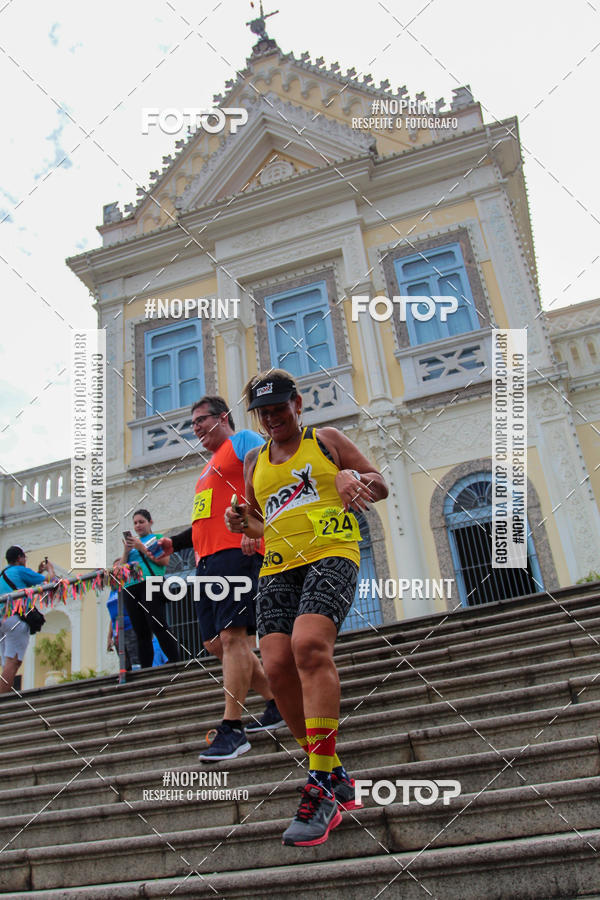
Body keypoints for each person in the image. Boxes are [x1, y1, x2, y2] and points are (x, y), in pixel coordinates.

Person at [225, 370, 389, 846]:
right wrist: (242, 520)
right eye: (264, 411)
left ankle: (318, 785)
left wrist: (352, 478)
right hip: (279, 566)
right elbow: (259, 524)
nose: (273, 417)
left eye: (280, 407)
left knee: (309, 647)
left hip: (332, 554)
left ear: (297, 404)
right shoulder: (254, 460)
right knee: (275, 668)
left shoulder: (327, 440)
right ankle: (332, 772)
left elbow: (379, 485)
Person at [157, 395, 283, 762]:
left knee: (232, 636)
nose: (195, 428)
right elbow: (204, 519)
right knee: (215, 643)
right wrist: (173, 542)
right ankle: (275, 704)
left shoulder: (242, 440)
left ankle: (233, 728)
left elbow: (268, 476)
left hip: (237, 552)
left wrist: (254, 524)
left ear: (223, 417)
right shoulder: (207, 468)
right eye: (191, 423)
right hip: (206, 560)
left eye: (200, 420)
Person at [120, 510, 180, 668]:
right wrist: (126, 552)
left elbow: (164, 561)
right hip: (131, 586)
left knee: (157, 624)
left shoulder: (157, 539)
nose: (138, 525)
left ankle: (176, 661)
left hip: (150, 583)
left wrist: (141, 548)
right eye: (135, 523)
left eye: (141, 522)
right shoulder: (131, 546)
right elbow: (120, 570)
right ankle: (146, 669)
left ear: (150, 522)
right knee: (141, 631)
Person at [0, 546, 56, 695]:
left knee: (6, 663)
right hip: (14, 619)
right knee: (13, 661)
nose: (25, 561)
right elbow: (51, 580)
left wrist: (37, 572)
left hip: (2, 619)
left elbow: (23, 586)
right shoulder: (20, 570)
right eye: (24, 558)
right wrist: (50, 568)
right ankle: (3, 700)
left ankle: (5, 696)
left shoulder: (3, 574)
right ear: (19, 558)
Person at [106, 559, 141, 670]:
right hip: (117, 631)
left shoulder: (129, 585)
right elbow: (113, 616)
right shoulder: (113, 590)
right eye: (114, 569)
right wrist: (109, 637)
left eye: (118, 568)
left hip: (131, 628)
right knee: (124, 665)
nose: (115, 571)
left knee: (135, 660)